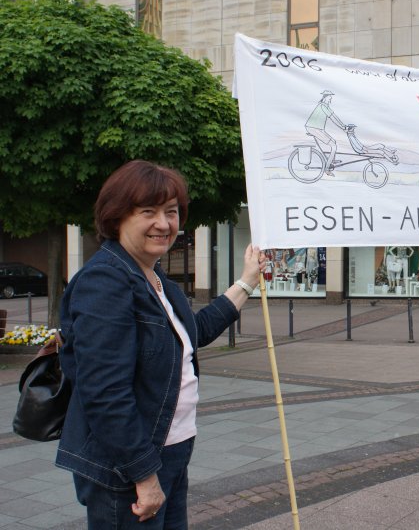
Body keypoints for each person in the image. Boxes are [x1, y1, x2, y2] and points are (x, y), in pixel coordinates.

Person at [55, 160, 265, 529]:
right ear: (116, 216)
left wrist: (247, 281)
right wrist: (144, 475)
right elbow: (104, 391)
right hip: (128, 467)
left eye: (171, 212)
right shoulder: (105, 280)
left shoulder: (153, 277)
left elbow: (191, 333)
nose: (164, 224)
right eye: (148, 212)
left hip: (169, 451)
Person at [305, 90, 347, 176]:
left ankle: (331, 160)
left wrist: (343, 126)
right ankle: (327, 169)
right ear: (325, 98)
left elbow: (335, 116)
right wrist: (343, 128)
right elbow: (333, 118)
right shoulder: (322, 106)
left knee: (334, 142)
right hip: (314, 128)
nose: (330, 99)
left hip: (318, 128)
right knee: (333, 146)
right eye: (329, 97)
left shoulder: (325, 106)